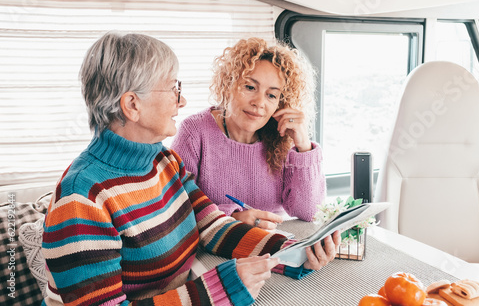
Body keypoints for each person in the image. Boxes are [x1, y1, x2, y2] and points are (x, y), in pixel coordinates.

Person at [41, 32, 341, 306]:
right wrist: (218, 290)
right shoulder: (80, 198)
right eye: (173, 88)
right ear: (132, 105)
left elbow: (210, 224)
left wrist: (292, 250)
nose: (182, 100)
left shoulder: (162, 160)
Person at [171, 37, 325, 230]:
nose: (259, 102)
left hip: (274, 241)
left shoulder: (282, 136)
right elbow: (176, 210)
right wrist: (231, 217)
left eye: (271, 95)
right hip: (215, 245)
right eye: (250, 87)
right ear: (229, 85)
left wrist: (304, 147)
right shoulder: (194, 131)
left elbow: (309, 213)